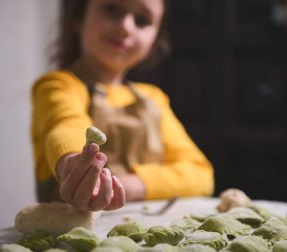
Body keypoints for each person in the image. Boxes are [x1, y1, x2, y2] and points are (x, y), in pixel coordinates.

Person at [31, 0, 214, 211]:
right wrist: (72, 164)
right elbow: (65, 124)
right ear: (79, 17)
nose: (125, 26)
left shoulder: (154, 98)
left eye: (142, 20)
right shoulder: (58, 85)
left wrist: (126, 185)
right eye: (111, 8)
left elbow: (201, 174)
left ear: (154, 42)